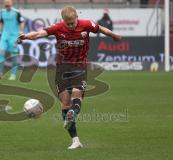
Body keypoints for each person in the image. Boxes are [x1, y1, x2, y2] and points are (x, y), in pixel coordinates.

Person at [18, 6, 121, 149]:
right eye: (68, 24)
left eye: (73, 23)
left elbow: (102, 29)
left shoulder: (86, 25)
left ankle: (73, 114)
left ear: (76, 18)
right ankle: (75, 140)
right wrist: (27, 36)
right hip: (62, 68)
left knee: (77, 93)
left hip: (80, 66)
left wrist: (114, 36)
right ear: (63, 21)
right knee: (65, 103)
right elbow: (40, 33)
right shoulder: (58, 28)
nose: (71, 26)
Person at [0, 0, 24, 80]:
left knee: (13, 55)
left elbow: (21, 22)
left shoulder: (16, 12)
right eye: (6, 5)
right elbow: (1, 23)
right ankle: (0, 73)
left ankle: (13, 74)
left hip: (13, 37)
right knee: (0, 53)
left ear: (11, 4)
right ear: (4, 5)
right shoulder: (2, 12)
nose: (7, 7)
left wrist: (20, 33)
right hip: (4, 36)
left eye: (8, 5)